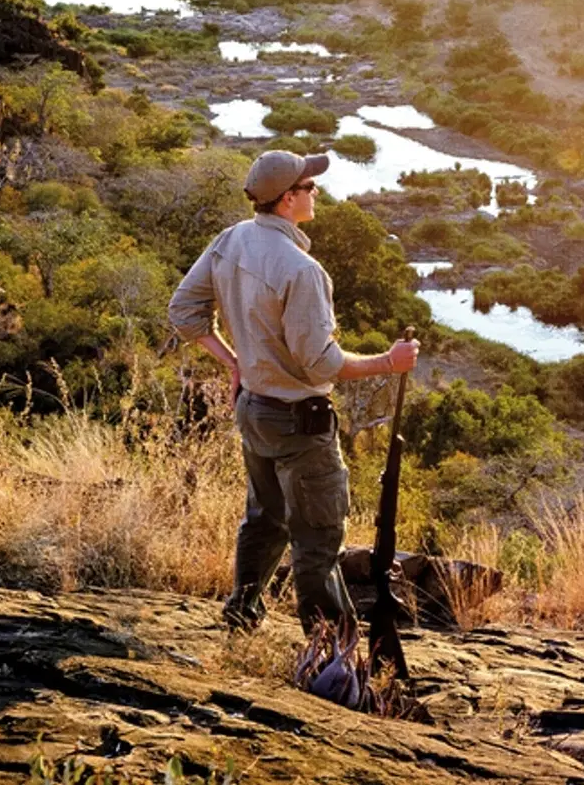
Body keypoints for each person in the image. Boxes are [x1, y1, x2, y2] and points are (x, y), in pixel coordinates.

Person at [167, 149, 419, 635]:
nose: (316, 191)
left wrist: (234, 362)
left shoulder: (232, 239)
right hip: (301, 422)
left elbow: (184, 312)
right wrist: (389, 363)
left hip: (254, 412)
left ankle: (242, 613)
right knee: (319, 540)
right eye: (308, 186)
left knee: (264, 519)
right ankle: (331, 652)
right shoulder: (303, 271)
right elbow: (321, 363)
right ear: (287, 200)